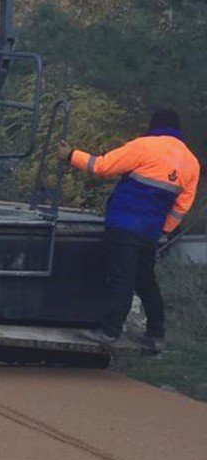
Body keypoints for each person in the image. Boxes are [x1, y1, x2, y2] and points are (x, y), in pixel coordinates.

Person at [60, 109, 199, 351]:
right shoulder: (191, 162)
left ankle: (110, 331)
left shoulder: (144, 147)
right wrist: (161, 229)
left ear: (154, 125)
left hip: (124, 225)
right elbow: (181, 207)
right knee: (145, 280)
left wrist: (71, 154)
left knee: (121, 278)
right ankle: (156, 333)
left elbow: (102, 166)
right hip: (150, 232)